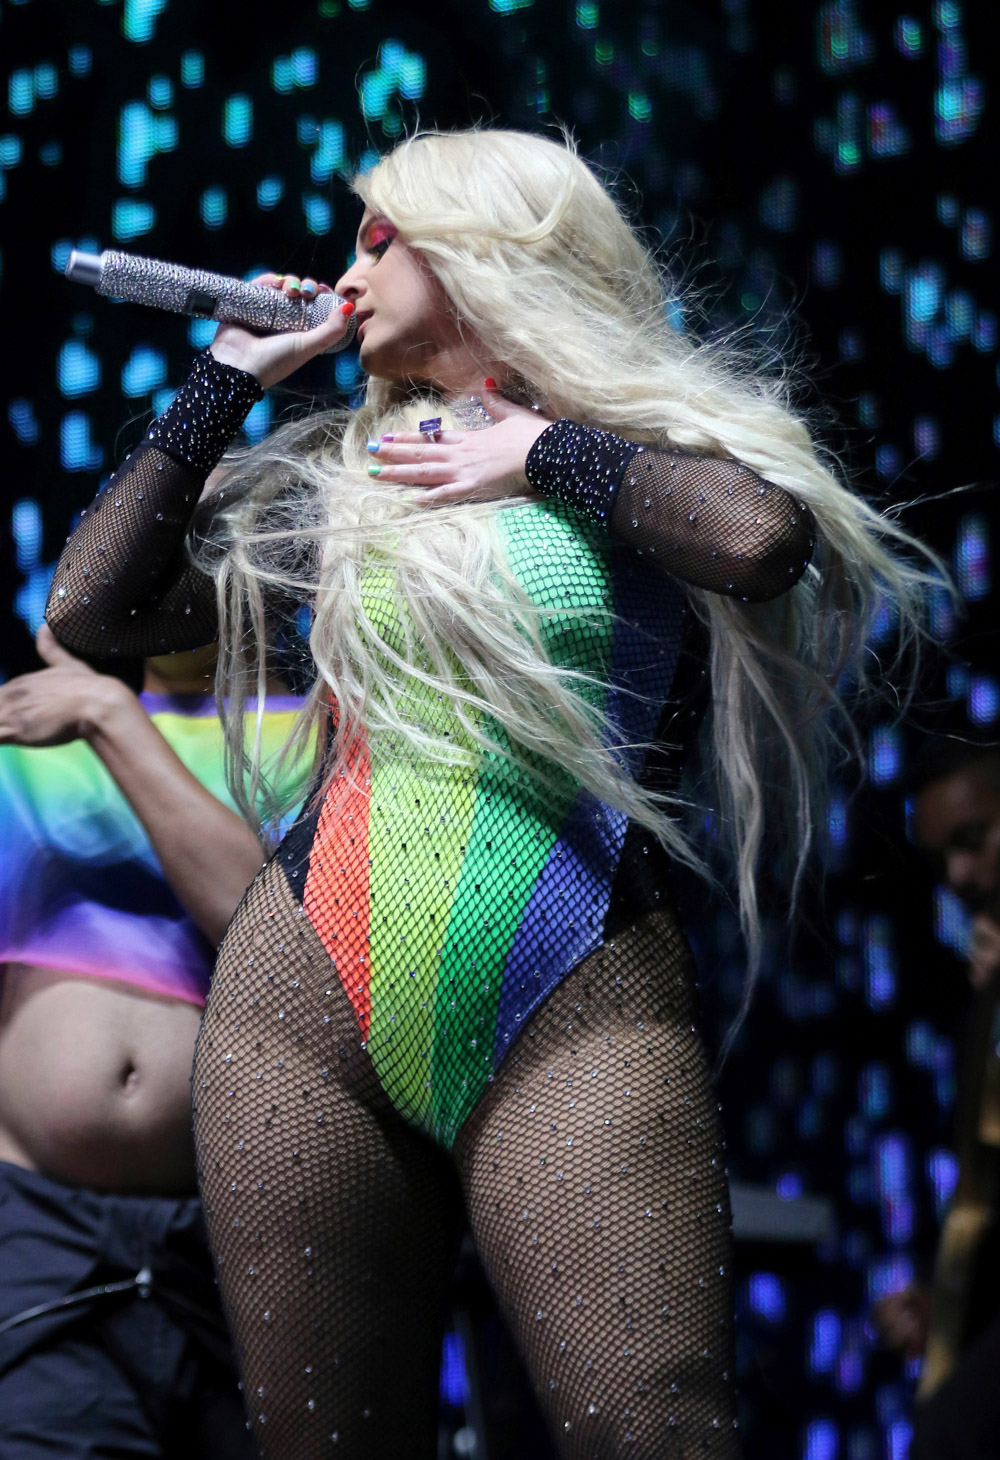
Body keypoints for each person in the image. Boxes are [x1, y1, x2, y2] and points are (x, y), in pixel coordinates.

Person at [46, 128, 933, 1459]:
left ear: (482, 252)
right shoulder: (349, 482)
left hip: (572, 984)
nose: (347, 269)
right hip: (302, 1004)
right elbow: (92, 611)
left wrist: (545, 455)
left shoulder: (627, 458)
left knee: (658, 1433)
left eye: (380, 237)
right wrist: (223, 379)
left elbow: (760, 539)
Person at [0, 623, 304, 1457]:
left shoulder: (328, 738)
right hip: (40, 1226)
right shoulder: (30, 724)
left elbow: (275, 941)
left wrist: (111, 717)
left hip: (244, 1240)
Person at [873, 740, 1000, 1459]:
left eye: (974, 840)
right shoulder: (980, 994)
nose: (958, 877)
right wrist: (942, 1298)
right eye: (942, 858)